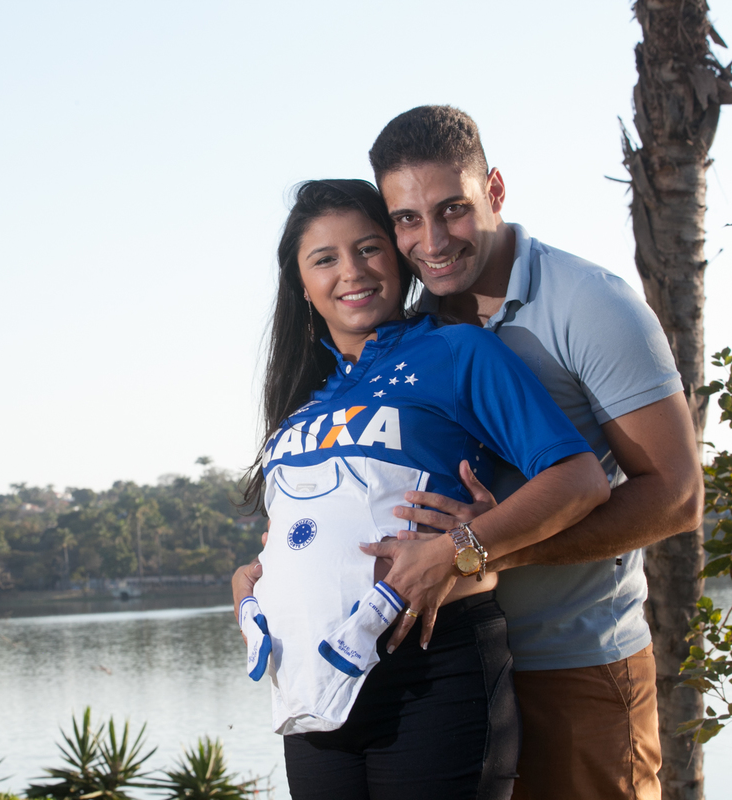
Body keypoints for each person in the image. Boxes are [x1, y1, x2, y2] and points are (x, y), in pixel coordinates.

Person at [237, 106, 704, 800]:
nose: (431, 239)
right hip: (440, 657)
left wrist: (479, 547)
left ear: (495, 191)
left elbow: (676, 497)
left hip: (569, 658)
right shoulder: (419, 325)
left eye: (451, 209)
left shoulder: (587, 303)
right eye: (406, 219)